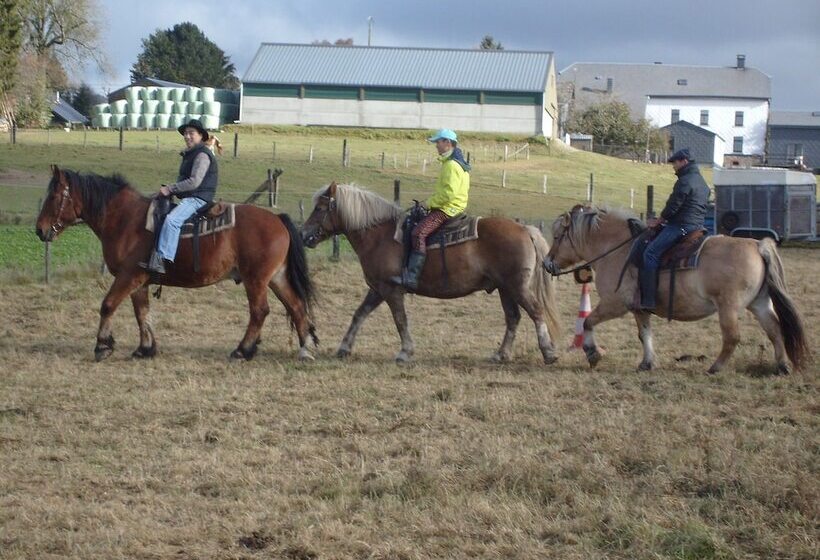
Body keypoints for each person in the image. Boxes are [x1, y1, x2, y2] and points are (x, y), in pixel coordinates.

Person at [391, 128, 471, 290]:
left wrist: (427, 204)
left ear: (447, 143)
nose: (436, 145)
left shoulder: (451, 165)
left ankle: (412, 277)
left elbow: (448, 194)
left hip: (447, 209)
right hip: (452, 207)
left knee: (418, 233)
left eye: (438, 142)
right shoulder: (459, 163)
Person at [144, 119, 219, 274]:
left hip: (198, 199)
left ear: (200, 136)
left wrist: (170, 189)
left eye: (191, 133)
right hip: (191, 197)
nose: (187, 136)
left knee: (172, 221)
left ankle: (162, 260)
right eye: (185, 133)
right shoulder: (192, 154)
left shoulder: (202, 155)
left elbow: (194, 182)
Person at [640, 148, 710, 310]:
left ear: (684, 161)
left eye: (675, 162)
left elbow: (673, 206)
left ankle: (649, 300)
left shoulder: (685, 181)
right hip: (698, 226)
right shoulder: (702, 182)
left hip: (681, 226)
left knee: (650, 253)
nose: (673, 166)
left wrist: (658, 221)